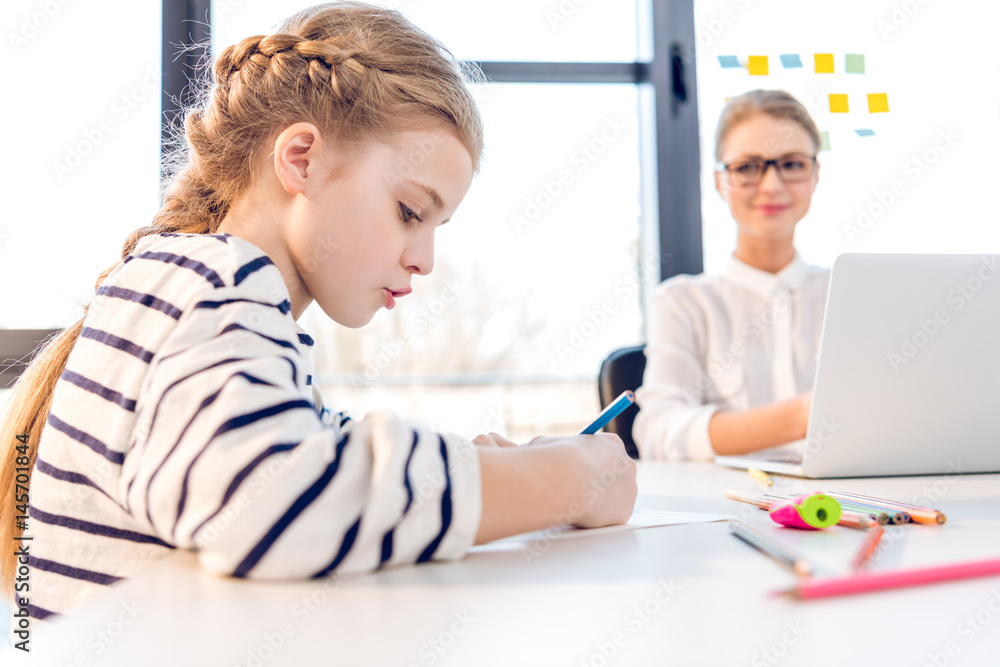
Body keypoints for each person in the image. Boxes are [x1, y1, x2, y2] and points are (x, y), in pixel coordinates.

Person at [0, 1, 636, 636]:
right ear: (300, 158)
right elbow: (266, 503)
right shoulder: (218, 286)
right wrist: (561, 479)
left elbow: (301, 453)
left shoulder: (187, 284)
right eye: (412, 212)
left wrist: (482, 465)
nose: (425, 260)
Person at [633, 89, 829, 461]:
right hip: (729, 510)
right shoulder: (683, 303)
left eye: (792, 164)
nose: (771, 186)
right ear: (720, 181)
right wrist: (800, 416)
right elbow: (658, 431)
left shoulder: (851, 293)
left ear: (816, 174)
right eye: (747, 167)